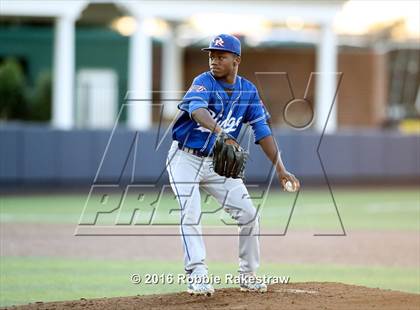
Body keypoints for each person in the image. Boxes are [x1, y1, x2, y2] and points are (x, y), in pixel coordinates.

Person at [166, 34, 300, 296]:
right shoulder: (203, 82)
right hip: (184, 157)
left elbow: (262, 132)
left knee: (249, 215)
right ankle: (197, 274)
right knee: (190, 213)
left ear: (236, 60)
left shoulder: (248, 91)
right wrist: (222, 133)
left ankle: (248, 275)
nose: (214, 60)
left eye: (221, 56)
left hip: (216, 163)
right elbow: (197, 111)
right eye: (211, 55)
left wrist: (281, 169)